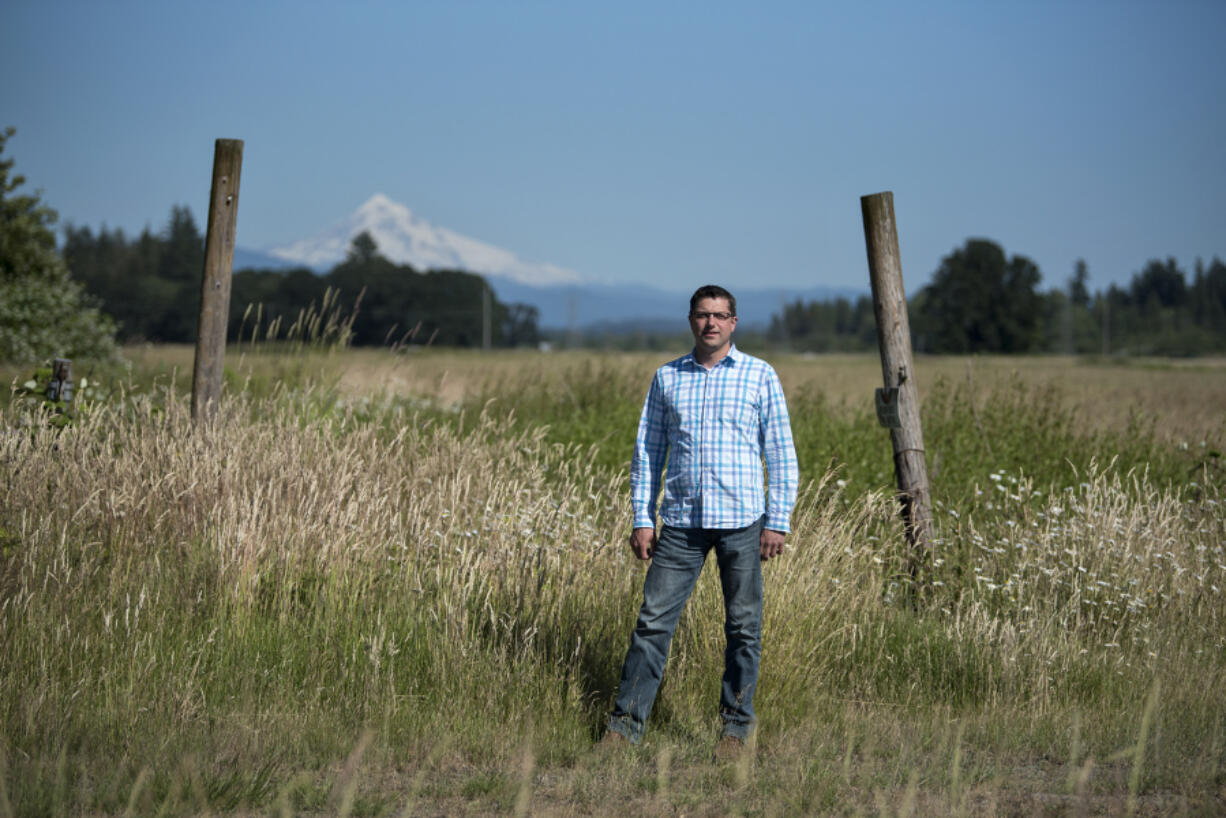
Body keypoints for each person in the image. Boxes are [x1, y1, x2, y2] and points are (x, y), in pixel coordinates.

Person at [603, 284, 799, 753]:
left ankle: (735, 729)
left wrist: (779, 520)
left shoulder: (759, 375)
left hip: (744, 520)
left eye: (720, 315)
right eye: (702, 315)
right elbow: (648, 453)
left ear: (734, 322)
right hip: (682, 523)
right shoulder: (668, 378)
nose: (711, 323)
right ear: (690, 320)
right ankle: (623, 728)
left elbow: (781, 453)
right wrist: (641, 517)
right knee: (652, 624)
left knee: (743, 628)